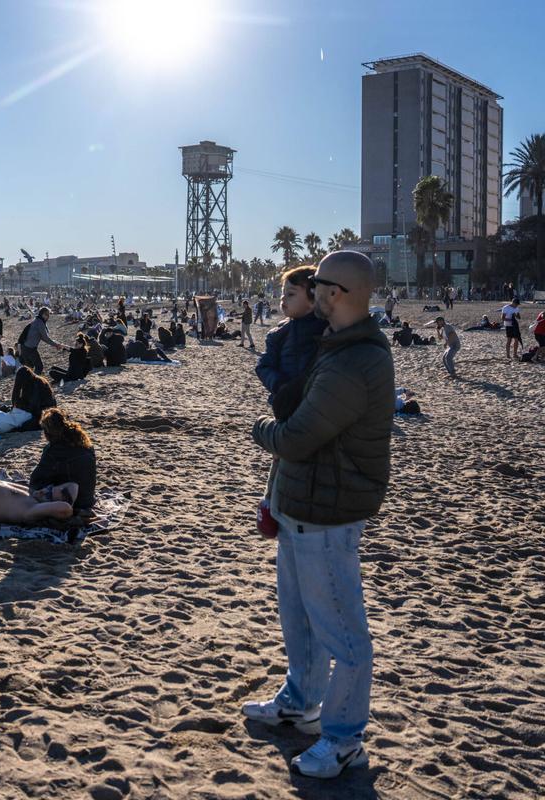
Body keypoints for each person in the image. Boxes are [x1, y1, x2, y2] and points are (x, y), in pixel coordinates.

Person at [246, 251, 395, 779]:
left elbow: (297, 434)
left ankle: (343, 737)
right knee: (301, 616)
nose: (313, 288)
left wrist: (260, 430)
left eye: (321, 283)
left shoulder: (357, 360)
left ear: (338, 293)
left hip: (329, 511)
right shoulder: (334, 346)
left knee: (343, 632)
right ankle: (300, 701)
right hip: (302, 503)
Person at [255, 266, 329, 419]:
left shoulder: (330, 329)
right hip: (287, 405)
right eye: (283, 293)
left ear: (313, 299)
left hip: (320, 405)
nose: (283, 298)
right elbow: (263, 366)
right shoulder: (278, 334)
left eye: (290, 294)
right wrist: (279, 385)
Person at [30, 408, 97, 512]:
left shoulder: (53, 451)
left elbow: (36, 481)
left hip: (73, 503)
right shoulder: (86, 445)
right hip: (88, 499)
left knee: (34, 492)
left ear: (47, 432)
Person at [0, 365, 57, 435]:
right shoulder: (34, 381)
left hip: (42, 413)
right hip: (34, 411)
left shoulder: (36, 384)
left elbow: (33, 406)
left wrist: (18, 407)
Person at [20, 307, 67, 373]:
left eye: (48, 315)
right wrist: (56, 345)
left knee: (29, 368)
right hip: (30, 349)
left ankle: (28, 382)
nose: (48, 317)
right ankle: (34, 382)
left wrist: (55, 344)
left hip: (24, 347)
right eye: (46, 315)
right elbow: (45, 338)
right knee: (39, 367)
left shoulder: (36, 320)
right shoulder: (40, 323)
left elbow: (42, 337)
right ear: (42, 314)